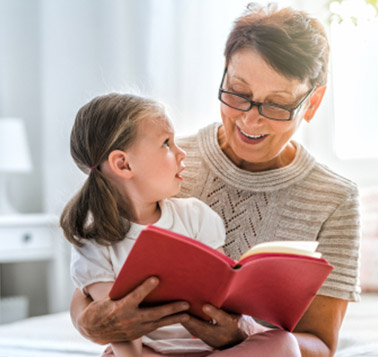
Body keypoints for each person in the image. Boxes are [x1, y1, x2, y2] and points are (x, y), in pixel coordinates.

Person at [68, 3, 360, 356]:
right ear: (224, 74)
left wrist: (241, 336)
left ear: (312, 104)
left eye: (277, 105)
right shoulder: (163, 167)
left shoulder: (336, 199)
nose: (251, 121)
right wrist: (92, 324)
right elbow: (92, 290)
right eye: (239, 93)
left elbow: (321, 344)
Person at [60, 93, 229, 356]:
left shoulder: (196, 216)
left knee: (281, 344)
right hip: (154, 352)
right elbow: (119, 325)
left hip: (213, 349)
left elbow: (222, 294)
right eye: (166, 143)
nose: (181, 152)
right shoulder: (95, 244)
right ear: (123, 163)